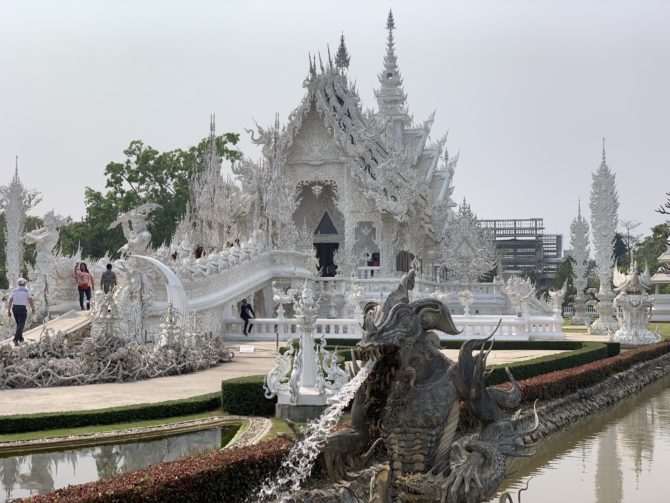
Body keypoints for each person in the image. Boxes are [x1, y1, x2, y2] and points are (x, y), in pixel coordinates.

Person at [7, 278, 36, 346]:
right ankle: (15, 339)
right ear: (24, 284)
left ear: (18, 284)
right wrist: (33, 308)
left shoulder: (14, 291)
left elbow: (10, 301)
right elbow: (30, 300)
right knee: (21, 324)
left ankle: (20, 338)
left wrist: (8, 311)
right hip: (22, 309)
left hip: (15, 308)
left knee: (19, 324)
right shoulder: (26, 291)